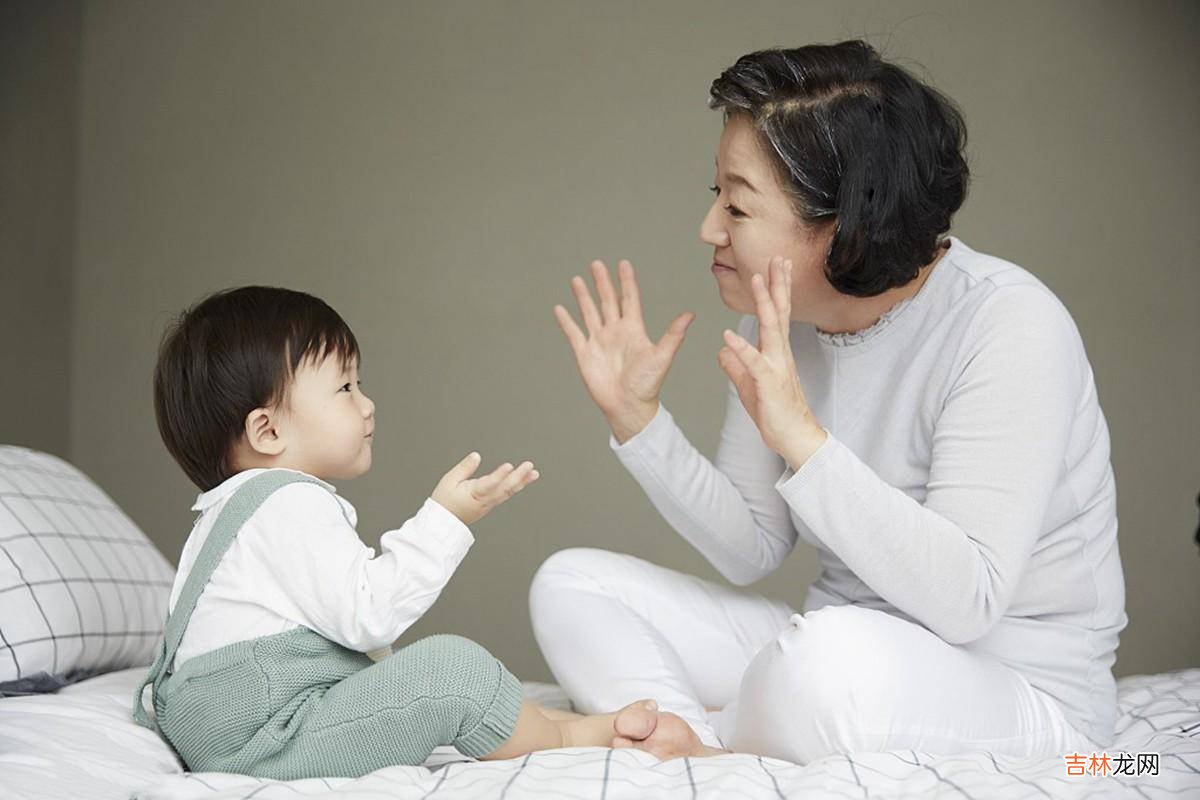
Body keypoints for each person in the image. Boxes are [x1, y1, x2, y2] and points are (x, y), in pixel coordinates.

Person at [534, 40, 1127, 764]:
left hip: (1017, 687)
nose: (710, 229)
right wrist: (639, 422)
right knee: (570, 584)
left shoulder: (1007, 324)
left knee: (824, 663)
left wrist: (804, 439)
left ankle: (718, 734)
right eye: (714, 194)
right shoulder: (778, 318)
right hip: (839, 644)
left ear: (843, 223)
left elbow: (967, 601)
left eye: (739, 205)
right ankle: (687, 745)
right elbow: (752, 545)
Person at [132, 286, 657, 779]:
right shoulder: (288, 501)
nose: (367, 404)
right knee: (449, 670)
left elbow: (353, 649)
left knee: (409, 675)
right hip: (268, 738)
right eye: (344, 387)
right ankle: (568, 742)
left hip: (242, 731)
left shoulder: (227, 516)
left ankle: (545, 720)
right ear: (267, 431)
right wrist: (445, 519)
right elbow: (370, 617)